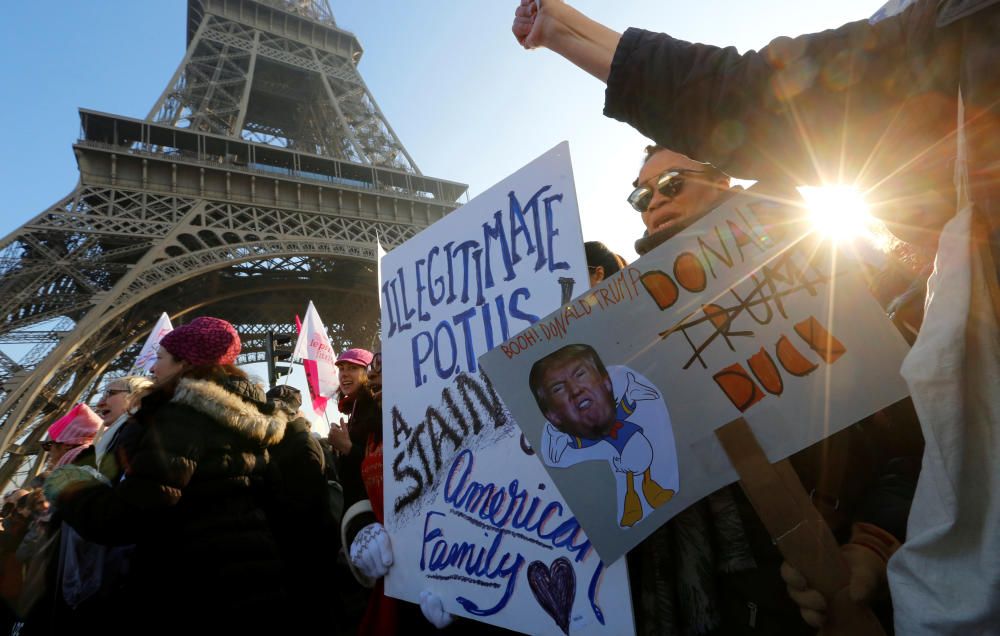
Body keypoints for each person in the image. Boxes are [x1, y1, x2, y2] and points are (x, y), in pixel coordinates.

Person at [514, 2, 1000, 632]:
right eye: (640, 194)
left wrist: (870, 542)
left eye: (671, 184)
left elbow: (915, 438)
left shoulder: (833, 276)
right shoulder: (613, 341)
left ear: (727, 180)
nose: (652, 203)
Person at [43, 316, 288, 635]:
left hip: (188, 587)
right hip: (250, 584)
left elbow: (132, 515)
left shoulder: (181, 418)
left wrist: (70, 488)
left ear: (184, 362)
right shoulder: (251, 423)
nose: (153, 370)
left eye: (159, 359)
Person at [529, 344, 675, 527]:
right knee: (629, 472)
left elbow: (627, 407)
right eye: (558, 388)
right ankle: (632, 503)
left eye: (580, 374)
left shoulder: (647, 412)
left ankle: (651, 488)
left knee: (642, 460)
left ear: (606, 382)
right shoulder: (574, 464)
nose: (575, 390)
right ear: (553, 416)